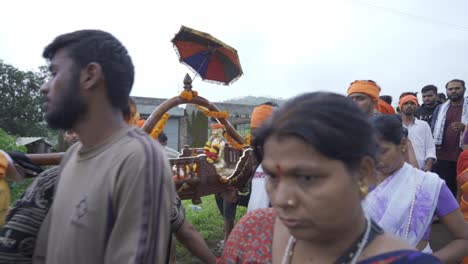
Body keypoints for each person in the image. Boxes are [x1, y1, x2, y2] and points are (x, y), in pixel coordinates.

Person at [220, 92, 441, 263]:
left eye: (307, 178)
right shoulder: (252, 230)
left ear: (363, 174)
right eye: (272, 177)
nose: (282, 200)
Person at [36, 30, 175, 264]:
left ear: (90, 76)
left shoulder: (139, 158)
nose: (44, 87)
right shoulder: (71, 156)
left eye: (55, 73)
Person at [364, 115, 468, 262]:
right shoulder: (356, 184)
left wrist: (426, 261)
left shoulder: (428, 185)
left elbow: (464, 238)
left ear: (402, 145)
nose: (374, 159)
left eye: (382, 151)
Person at [0, 131, 77, 263]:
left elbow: (10, 251)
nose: (74, 135)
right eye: (70, 131)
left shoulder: (51, 180)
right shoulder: (51, 180)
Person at [431, 79, 468, 197]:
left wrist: (465, 128)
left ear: (464, 90)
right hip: (442, 155)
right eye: (450, 89)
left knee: (462, 190)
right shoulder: (440, 108)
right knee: (443, 190)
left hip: (463, 156)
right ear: (446, 91)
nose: (454, 91)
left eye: (457, 88)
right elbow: (433, 128)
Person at [246, 102, 275, 212]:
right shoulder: (258, 165)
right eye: (253, 135)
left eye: (260, 136)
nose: (254, 141)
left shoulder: (285, 168)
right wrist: (236, 199)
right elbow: (255, 199)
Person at [399, 94, 436, 171]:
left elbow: (430, 148)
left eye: (412, 103)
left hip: (421, 169)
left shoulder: (423, 125)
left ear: (416, 106)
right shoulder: (395, 125)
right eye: (405, 103)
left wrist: (428, 165)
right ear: (401, 106)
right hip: (399, 170)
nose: (409, 106)